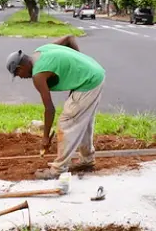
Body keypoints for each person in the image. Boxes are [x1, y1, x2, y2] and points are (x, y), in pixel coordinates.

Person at [6, 36, 106, 179]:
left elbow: (49, 109)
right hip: (95, 72)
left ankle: (58, 170)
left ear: (21, 67)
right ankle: (87, 160)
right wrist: (79, 63)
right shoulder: (41, 51)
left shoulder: (38, 75)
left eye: (17, 74)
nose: (20, 77)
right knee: (83, 121)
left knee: (67, 122)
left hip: (89, 80)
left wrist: (45, 137)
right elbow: (69, 39)